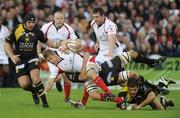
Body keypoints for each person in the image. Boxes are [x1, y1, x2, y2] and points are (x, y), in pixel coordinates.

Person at [41, 44, 166, 108]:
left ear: (54, 53)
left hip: (93, 63)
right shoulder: (64, 73)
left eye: (52, 58)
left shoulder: (64, 51)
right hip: (98, 72)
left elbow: (81, 47)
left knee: (132, 54)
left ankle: (153, 63)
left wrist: (69, 44)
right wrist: (47, 90)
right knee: (94, 94)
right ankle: (120, 100)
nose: (53, 61)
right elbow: (82, 78)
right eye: (50, 61)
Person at [4, 12, 64, 108]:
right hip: (20, 59)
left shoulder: (37, 30)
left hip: (32, 57)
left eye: (33, 22)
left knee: (35, 78)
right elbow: (7, 43)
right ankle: (33, 91)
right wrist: (11, 56)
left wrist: (59, 44)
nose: (32, 24)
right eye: (29, 22)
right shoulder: (17, 29)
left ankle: (45, 102)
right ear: (24, 22)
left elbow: (47, 42)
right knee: (24, 85)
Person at [41, 11, 78, 101]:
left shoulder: (68, 29)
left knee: (66, 77)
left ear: (64, 19)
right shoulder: (46, 27)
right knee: (56, 77)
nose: (59, 20)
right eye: (57, 18)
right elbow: (39, 39)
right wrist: (39, 52)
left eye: (61, 18)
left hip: (63, 53)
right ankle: (57, 82)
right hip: (51, 54)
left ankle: (67, 97)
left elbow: (76, 40)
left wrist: (72, 47)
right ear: (54, 18)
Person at [0, 16, 10, 87]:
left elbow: (8, 42)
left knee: (6, 71)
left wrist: (9, 52)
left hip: (3, 54)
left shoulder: (5, 29)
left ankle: (5, 86)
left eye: (0, 19)